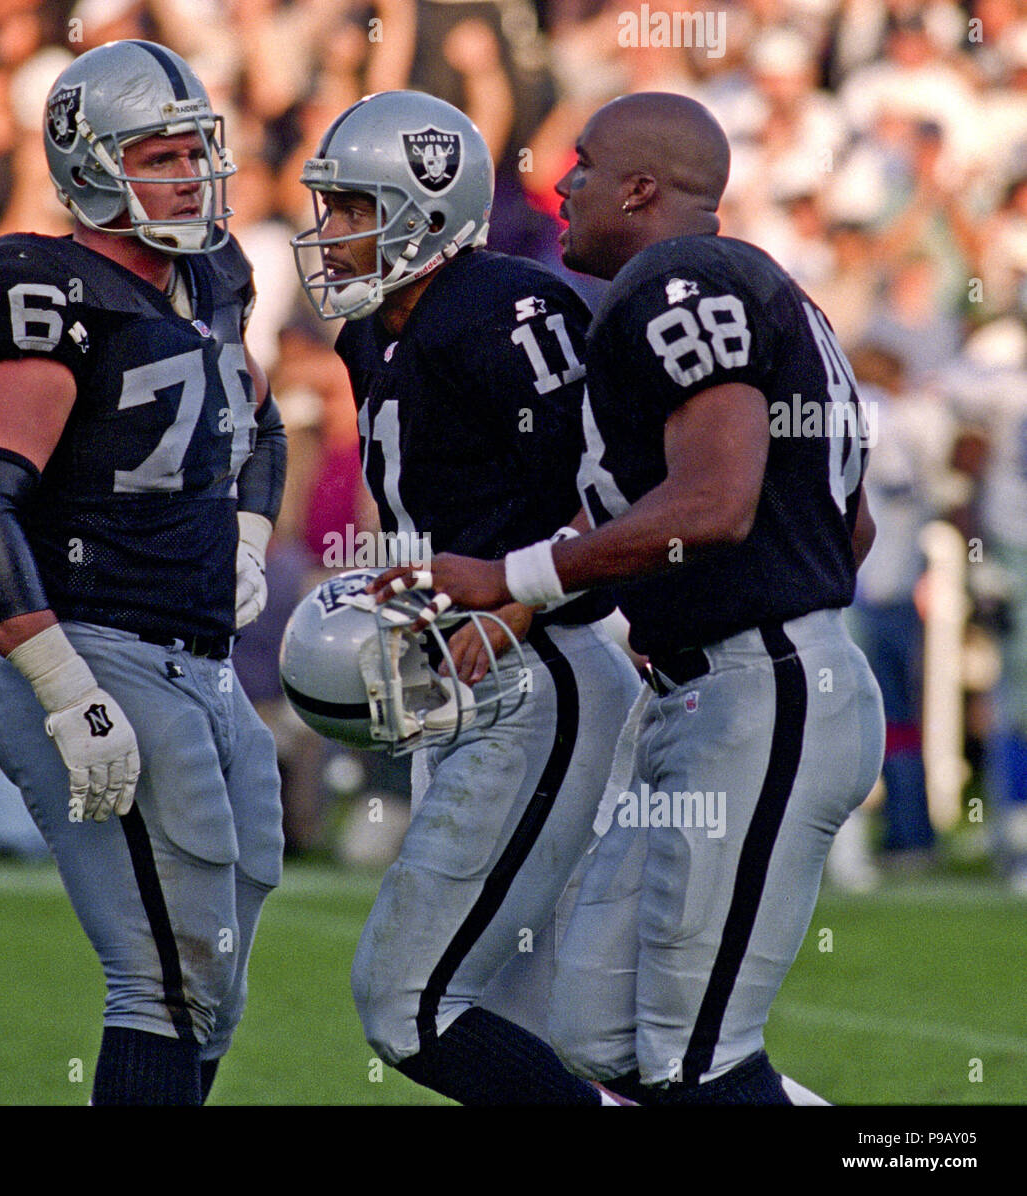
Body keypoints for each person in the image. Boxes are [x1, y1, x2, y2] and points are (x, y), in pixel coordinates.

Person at [371, 92, 885, 1104]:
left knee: (694, 1057)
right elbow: (841, 526)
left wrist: (515, 576)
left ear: (641, 187)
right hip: (724, 685)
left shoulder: (679, 275)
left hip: (760, 687)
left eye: (585, 164)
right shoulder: (721, 285)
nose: (561, 183)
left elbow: (716, 501)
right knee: (599, 1033)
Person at [0, 40, 286, 1106]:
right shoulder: (39, 285)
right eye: (162, 155)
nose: (192, 175)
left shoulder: (215, 275)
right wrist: (63, 687)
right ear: (89, 167)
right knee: (166, 981)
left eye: (196, 151)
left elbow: (255, 421)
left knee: (211, 972)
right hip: (96, 650)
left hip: (201, 663)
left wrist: (250, 537)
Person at [292, 90, 641, 1104]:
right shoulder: (376, 330)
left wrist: (519, 601)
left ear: (426, 210)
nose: (335, 232)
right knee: (540, 1020)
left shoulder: (507, 308)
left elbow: (607, 481)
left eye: (356, 208)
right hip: (479, 684)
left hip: (543, 674)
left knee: (409, 999)